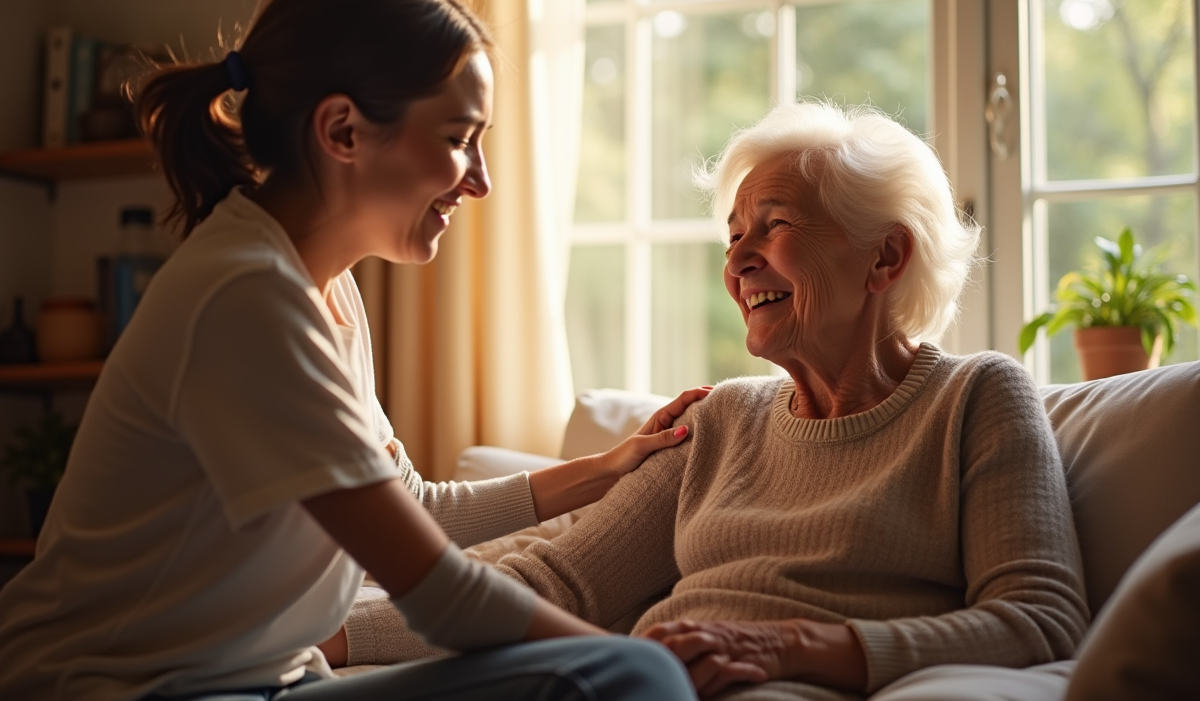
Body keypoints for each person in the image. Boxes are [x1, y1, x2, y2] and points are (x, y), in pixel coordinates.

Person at [0, 0, 706, 701]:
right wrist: (653, 665)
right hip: (120, 691)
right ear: (342, 130)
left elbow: (416, 507)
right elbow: (440, 596)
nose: (481, 180)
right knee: (631, 672)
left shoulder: (322, 287)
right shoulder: (247, 297)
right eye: (460, 137)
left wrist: (607, 468)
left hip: (261, 681)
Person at [340, 101, 1091, 700]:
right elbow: (558, 581)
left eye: (776, 226)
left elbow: (1040, 619)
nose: (736, 262)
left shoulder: (977, 398)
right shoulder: (724, 418)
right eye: (733, 235)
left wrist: (792, 648)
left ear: (885, 257)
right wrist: (334, 637)